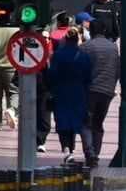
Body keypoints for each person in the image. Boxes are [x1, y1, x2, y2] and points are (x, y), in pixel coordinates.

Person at [45, 29, 94, 163]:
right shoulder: (84, 56)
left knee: (62, 121)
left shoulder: (58, 55)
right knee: (77, 121)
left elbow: (52, 74)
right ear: (77, 40)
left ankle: (67, 150)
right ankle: (79, 149)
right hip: (78, 93)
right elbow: (89, 78)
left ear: (65, 40)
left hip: (61, 92)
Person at [83, 28, 120, 169]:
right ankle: (96, 154)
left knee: (86, 123)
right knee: (98, 123)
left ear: (91, 32)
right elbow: (117, 69)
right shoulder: (113, 48)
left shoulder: (86, 46)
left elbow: (81, 67)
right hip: (107, 90)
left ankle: (90, 152)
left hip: (90, 90)